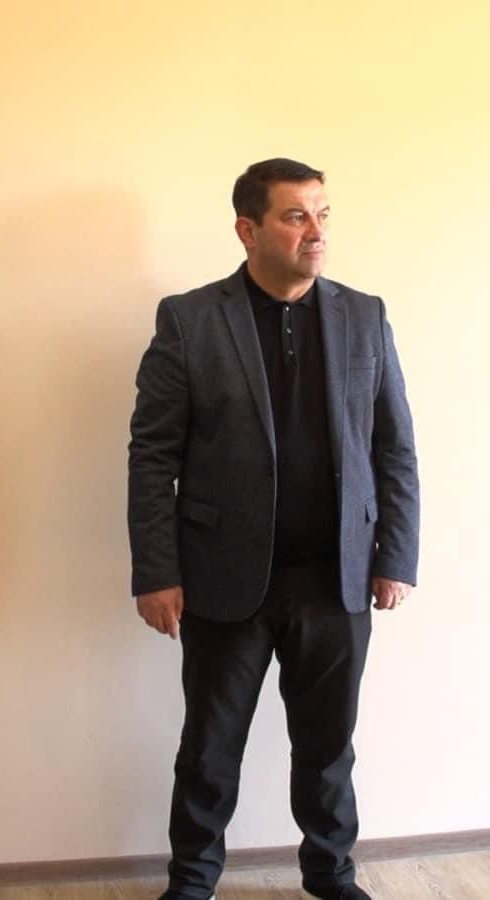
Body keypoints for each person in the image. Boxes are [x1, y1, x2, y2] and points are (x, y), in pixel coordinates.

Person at [127, 158, 419, 900]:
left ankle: (331, 875)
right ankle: (192, 883)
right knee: (209, 749)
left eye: (323, 214)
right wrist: (156, 571)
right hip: (224, 579)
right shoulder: (191, 320)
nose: (315, 231)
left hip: (336, 578)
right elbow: (152, 454)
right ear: (247, 230)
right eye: (295, 216)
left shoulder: (364, 315)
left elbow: (394, 446)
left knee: (328, 751)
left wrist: (395, 555)